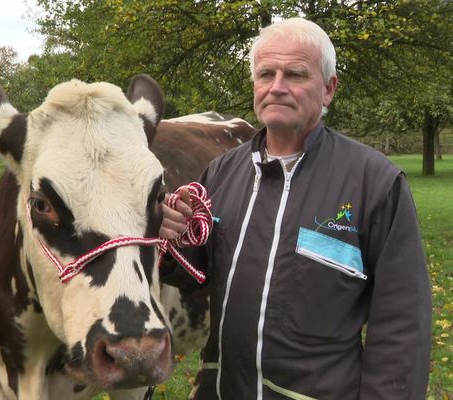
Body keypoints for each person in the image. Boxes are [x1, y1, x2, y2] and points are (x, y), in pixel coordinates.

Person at [159, 17, 432, 400]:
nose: (277, 87)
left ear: (328, 90)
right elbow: (199, 274)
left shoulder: (374, 182)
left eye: (296, 74)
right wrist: (173, 243)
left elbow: (403, 324)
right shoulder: (221, 172)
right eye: (266, 73)